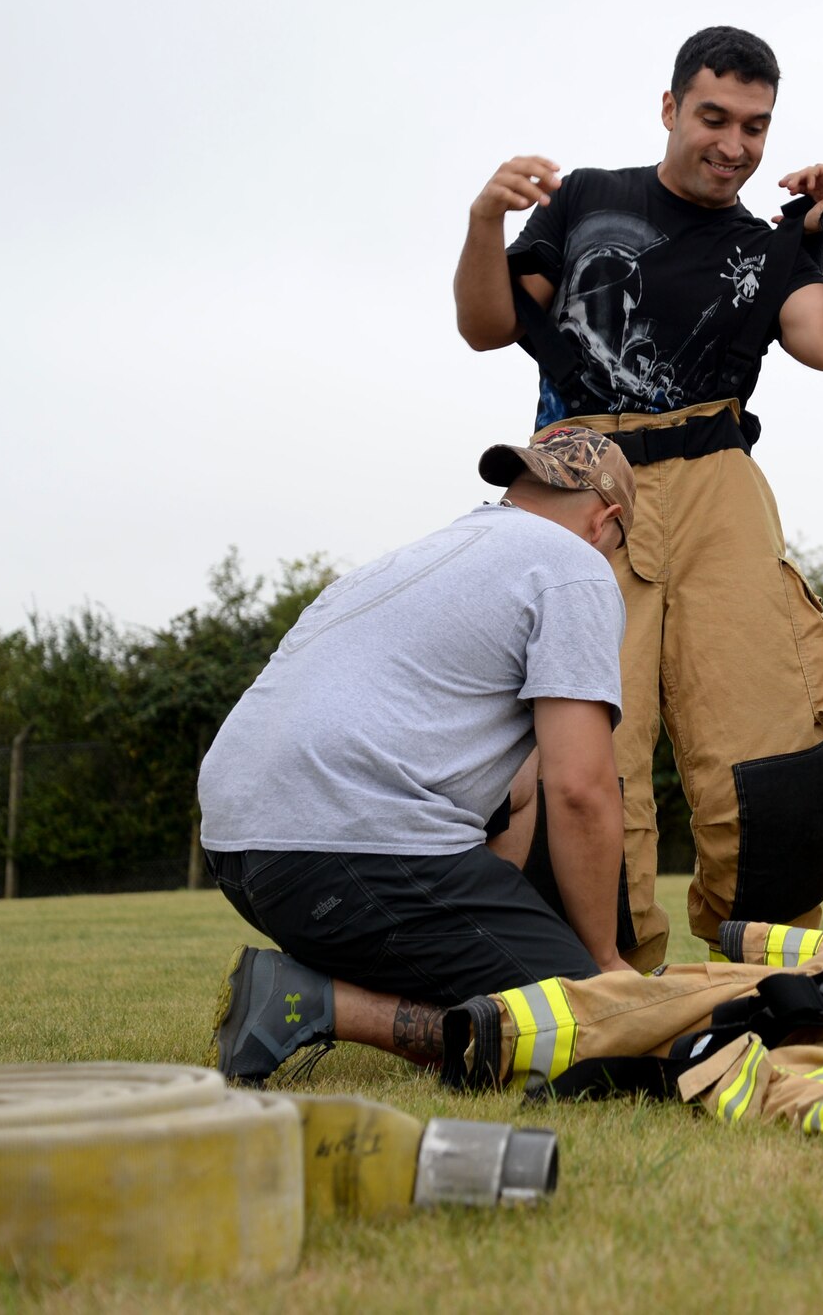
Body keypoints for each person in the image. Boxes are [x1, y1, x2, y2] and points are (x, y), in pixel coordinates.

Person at [452, 26, 823, 969]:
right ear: (670, 108)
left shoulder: (766, 249)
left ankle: (763, 970)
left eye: (757, 126)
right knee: (588, 748)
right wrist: (483, 221)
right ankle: (606, 975)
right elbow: (487, 325)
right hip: (581, 482)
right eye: (714, 117)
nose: (735, 144)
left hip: (717, 480)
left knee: (768, 739)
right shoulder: (584, 201)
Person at [203, 428, 638, 1083]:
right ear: (606, 522)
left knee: (530, 993)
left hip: (244, 850)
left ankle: (313, 994)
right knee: (601, 1030)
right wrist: (602, 961)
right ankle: (313, 1001)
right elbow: (579, 787)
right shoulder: (573, 565)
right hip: (345, 846)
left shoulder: (427, 558)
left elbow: (519, 792)